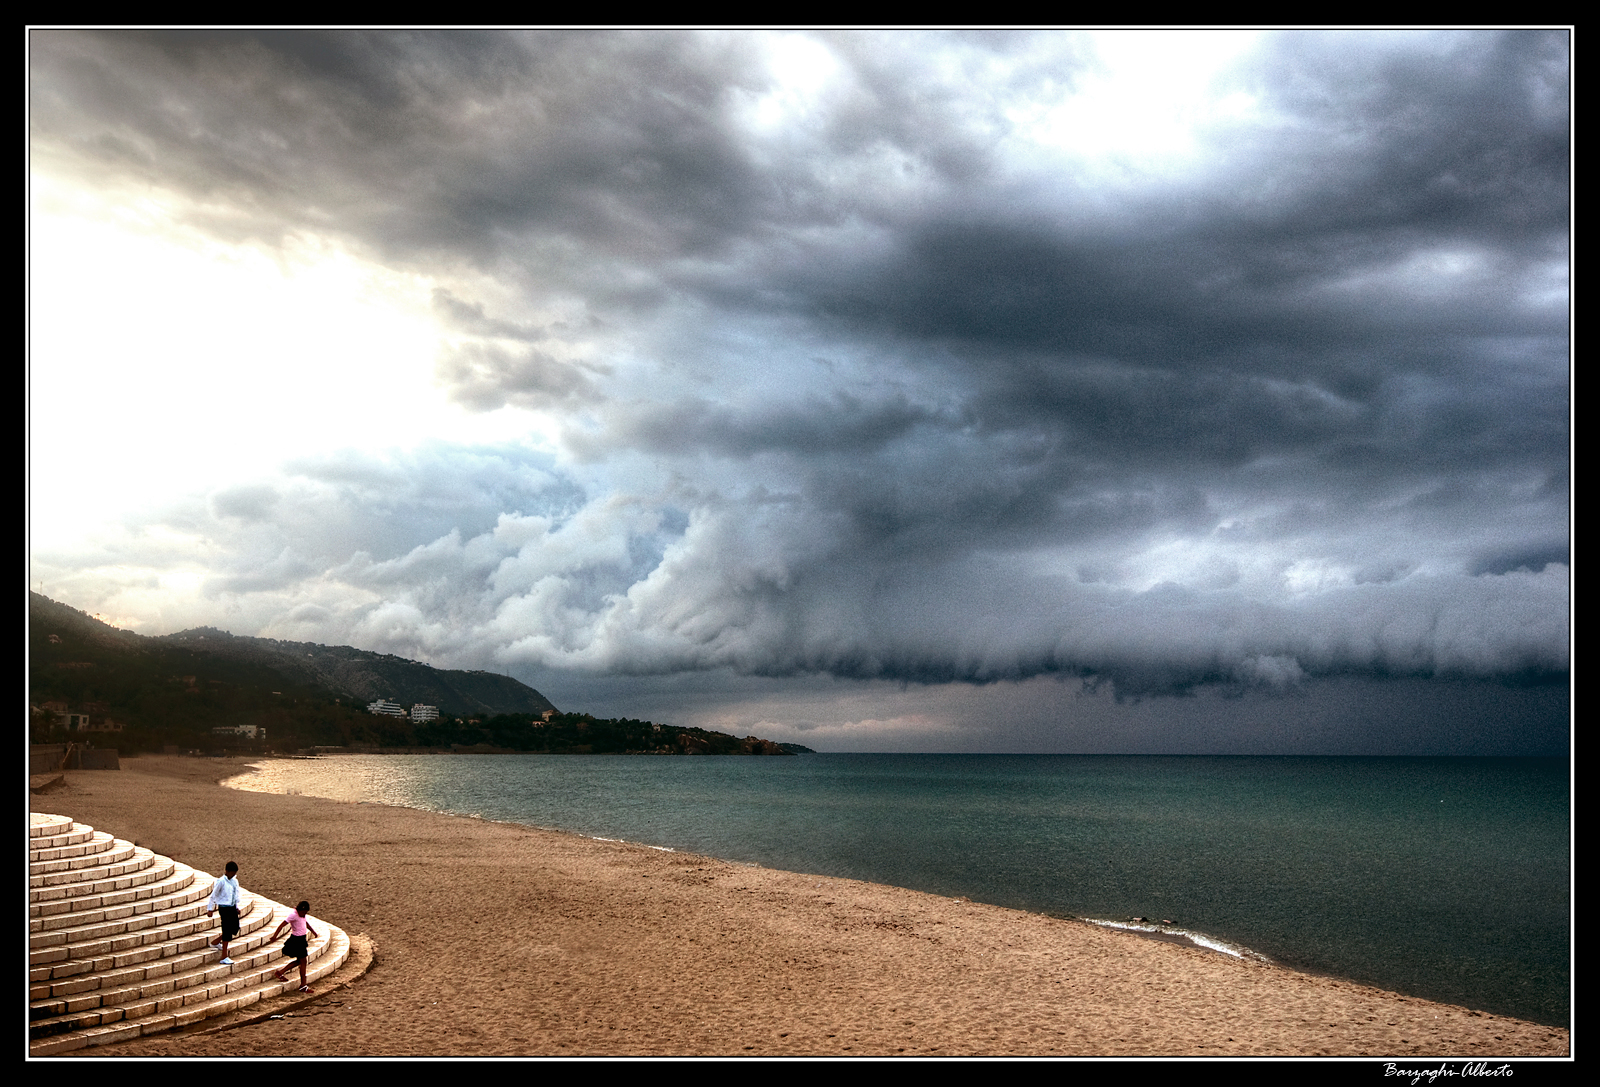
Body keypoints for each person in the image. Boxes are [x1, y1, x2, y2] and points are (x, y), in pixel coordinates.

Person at [271, 901, 320, 993]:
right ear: (299, 910)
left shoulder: (302, 915)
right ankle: (303, 985)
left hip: (302, 939)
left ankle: (281, 972)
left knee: (300, 961)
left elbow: (306, 923)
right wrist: (275, 936)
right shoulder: (293, 915)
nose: (304, 914)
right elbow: (282, 925)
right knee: (303, 962)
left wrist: (313, 932)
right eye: (303, 912)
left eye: (306, 913)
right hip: (296, 940)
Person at [206, 861, 244, 965]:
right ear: (227, 871)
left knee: (235, 928)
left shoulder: (234, 881)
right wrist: (210, 908)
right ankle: (224, 956)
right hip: (224, 908)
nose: (233, 875)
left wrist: (236, 906)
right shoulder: (221, 881)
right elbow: (213, 895)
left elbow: (235, 894)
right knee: (226, 929)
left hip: (231, 907)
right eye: (232, 872)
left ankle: (215, 942)